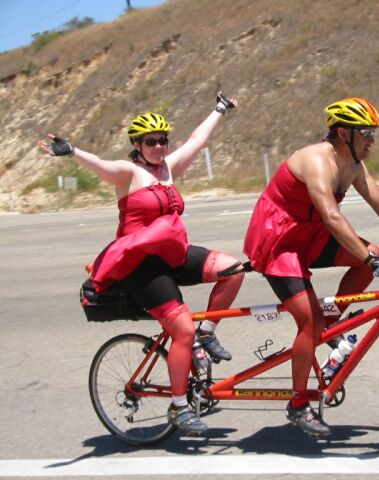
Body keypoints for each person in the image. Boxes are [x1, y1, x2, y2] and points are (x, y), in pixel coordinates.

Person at [38, 93, 244, 434]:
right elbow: (101, 166)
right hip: (141, 265)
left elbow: (197, 140)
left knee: (233, 271)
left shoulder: (169, 169)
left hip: (173, 254)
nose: (159, 147)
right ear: (137, 143)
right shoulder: (128, 172)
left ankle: (206, 336)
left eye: (163, 140)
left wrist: (219, 110)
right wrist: (72, 151)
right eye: (151, 142)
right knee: (182, 330)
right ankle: (179, 407)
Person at [243, 97, 379, 436]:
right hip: (279, 241)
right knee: (309, 321)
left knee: (373, 253)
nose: (373, 141)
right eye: (367, 133)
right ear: (344, 132)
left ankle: (332, 320)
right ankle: (299, 403)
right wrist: (372, 261)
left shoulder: (354, 163)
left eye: (374, 133)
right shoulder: (317, 160)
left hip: (310, 233)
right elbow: (332, 216)